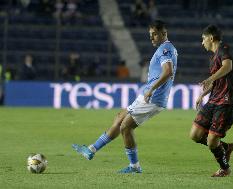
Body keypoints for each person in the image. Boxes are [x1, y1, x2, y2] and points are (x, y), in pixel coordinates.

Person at [72, 20, 178, 173]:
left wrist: (151, 89)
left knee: (125, 127)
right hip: (149, 94)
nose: (152, 38)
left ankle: (134, 166)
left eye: (155, 34)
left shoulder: (165, 49)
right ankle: (91, 149)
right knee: (120, 117)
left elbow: (168, 72)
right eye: (150, 35)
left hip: (153, 97)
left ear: (164, 33)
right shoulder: (166, 48)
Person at [189, 25, 233, 177]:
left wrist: (210, 78)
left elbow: (228, 66)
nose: (202, 43)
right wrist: (202, 94)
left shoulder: (224, 49)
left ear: (211, 38)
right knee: (195, 135)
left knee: (211, 141)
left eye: (203, 39)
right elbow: (216, 81)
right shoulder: (213, 57)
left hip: (226, 101)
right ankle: (226, 147)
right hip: (213, 100)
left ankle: (225, 169)